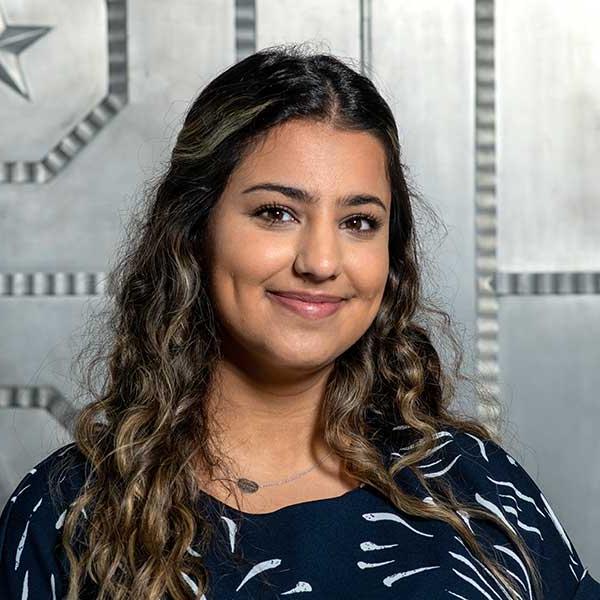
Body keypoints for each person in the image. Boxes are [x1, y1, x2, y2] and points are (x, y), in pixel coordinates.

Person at [1, 43, 599, 600]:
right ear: (194, 231)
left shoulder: (481, 490)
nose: (320, 262)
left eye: (359, 222)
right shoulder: (68, 511)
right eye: (276, 212)